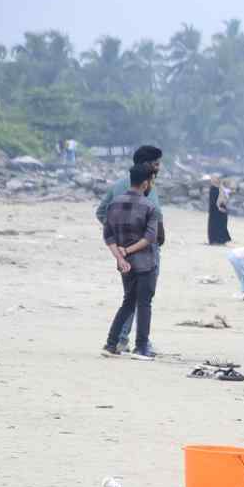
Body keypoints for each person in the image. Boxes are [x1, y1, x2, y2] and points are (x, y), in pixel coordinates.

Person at [96, 145, 165, 355]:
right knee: (144, 301)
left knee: (129, 299)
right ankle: (139, 344)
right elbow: (153, 230)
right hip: (145, 254)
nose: (159, 168)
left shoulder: (117, 190)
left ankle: (115, 341)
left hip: (122, 253)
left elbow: (102, 214)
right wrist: (139, 242)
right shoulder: (148, 191)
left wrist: (120, 245)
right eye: (156, 164)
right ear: (146, 169)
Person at [207, 176, 231, 244]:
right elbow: (214, 200)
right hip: (215, 209)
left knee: (221, 225)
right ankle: (215, 240)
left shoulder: (221, 188)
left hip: (220, 209)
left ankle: (220, 240)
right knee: (215, 225)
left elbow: (224, 199)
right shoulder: (214, 188)